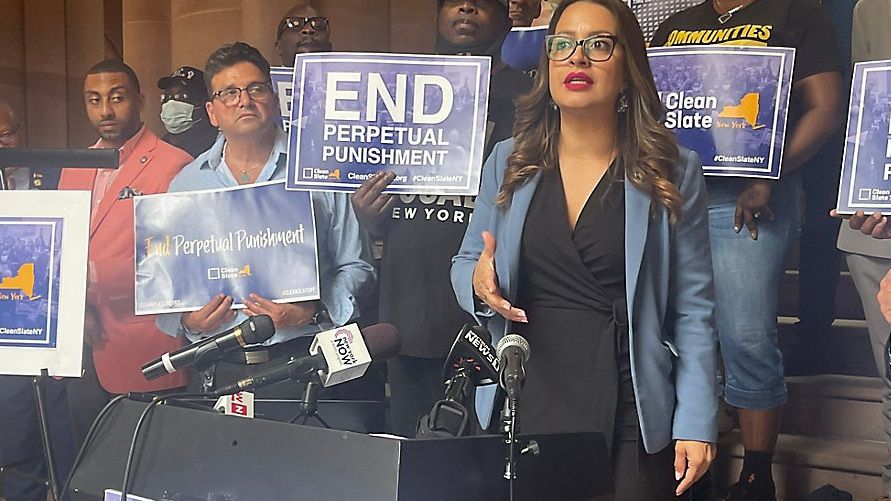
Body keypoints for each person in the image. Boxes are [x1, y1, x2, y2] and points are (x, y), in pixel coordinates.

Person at [450, 0, 718, 498]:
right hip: (527, 388)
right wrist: (478, 281)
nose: (578, 58)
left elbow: (695, 310)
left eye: (598, 44)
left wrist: (698, 418)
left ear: (628, 65)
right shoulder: (508, 159)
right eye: (563, 44)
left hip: (627, 395)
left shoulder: (673, 169)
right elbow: (468, 260)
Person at [650, 1, 843, 498]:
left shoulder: (797, 16)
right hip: (672, 194)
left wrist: (769, 176)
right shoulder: (677, 24)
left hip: (750, 195)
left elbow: (825, 108)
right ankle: (688, 460)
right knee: (673, 331)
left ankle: (757, 474)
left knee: (747, 335)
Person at [350, 0, 531, 438]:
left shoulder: (532, 95)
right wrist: (366, 218)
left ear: (507, 14)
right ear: (436, 15)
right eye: (452, 0)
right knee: (415, 454)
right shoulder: (392, 91)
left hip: (489, 309)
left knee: (487, 457)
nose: (465, 6)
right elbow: (367, 176)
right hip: (408, 308)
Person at [155, 42, 376, 399]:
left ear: (273, 99)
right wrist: (188, 322)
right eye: (229, 93)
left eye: (255, 89)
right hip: (219, 366)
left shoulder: (318, 171)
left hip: (306, 362)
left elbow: (358, 266)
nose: (244, 100)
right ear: (212, 111)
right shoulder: (186, 185)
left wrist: (315, 309)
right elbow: (166, 286)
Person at [58, 60, 193, 447]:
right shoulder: (73, 166)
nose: (106, 111)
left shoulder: (174, 165)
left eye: (117, 98)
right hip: (81, 344)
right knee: (93, 470)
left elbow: (180, 261)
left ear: (140, 99)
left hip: (144, 345)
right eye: (94, 100)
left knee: (146, 469)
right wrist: (71, 309)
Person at [0, 97, 76, 501]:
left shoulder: (58, 174)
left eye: (7, 135)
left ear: (22, 130)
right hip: (6, 344)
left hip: (56, 341)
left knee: (66, 449)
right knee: (18, 454)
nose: (2, 146)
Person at [157, 65, 218, 158]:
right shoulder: (161, 146)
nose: (172, 103)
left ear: (204, 102)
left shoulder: (215, 146)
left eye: (182, 96)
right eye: (167, 96)